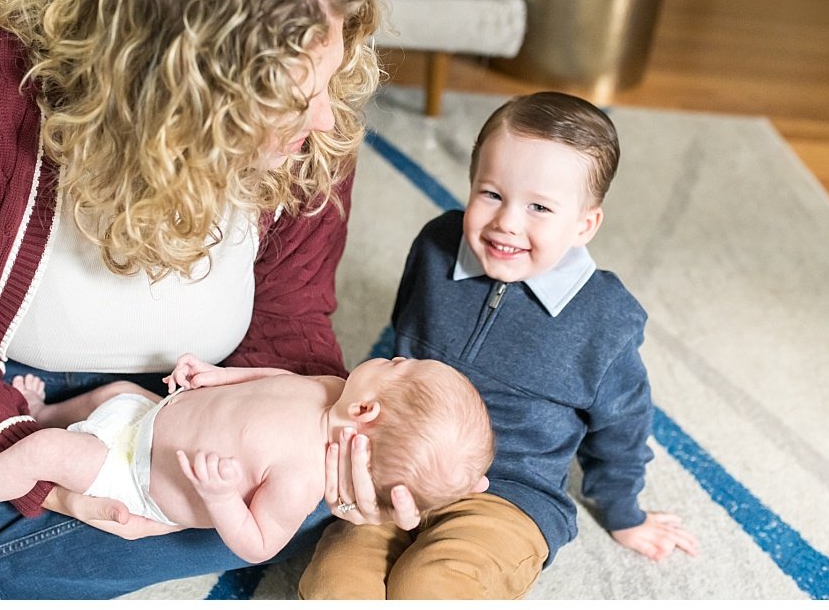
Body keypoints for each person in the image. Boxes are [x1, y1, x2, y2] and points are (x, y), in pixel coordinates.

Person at [0, 0, 423, 600]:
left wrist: (307, 444)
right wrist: (38, 465)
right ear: (179, 91)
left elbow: (291, 314)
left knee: (317, 487)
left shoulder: (314, 124)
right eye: (295, 100)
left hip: (186, 402)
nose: (326, 120)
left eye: (325, 84)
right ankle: (48, 546)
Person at [300, 92, 701, 600]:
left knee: (432, 586)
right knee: (335, 582)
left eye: (539, 207)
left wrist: (625, 514)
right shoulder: (434, 247)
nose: (508, 221)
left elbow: (622, 428)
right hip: (394, 469)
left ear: (584, 224)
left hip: (510, 496)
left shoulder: (605, 319)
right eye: (491, 194)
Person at [0, 353, 494, 564]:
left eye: (398, 367)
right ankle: (44, 411)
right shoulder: (333, 387)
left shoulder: (301, 477)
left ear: (367, 415)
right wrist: (216, 376)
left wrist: (219, 498)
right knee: (113, 395)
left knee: (55, 454)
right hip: (145, 419)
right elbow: (271, 377)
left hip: (135, 477)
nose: (393, 358)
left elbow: (259, 543)